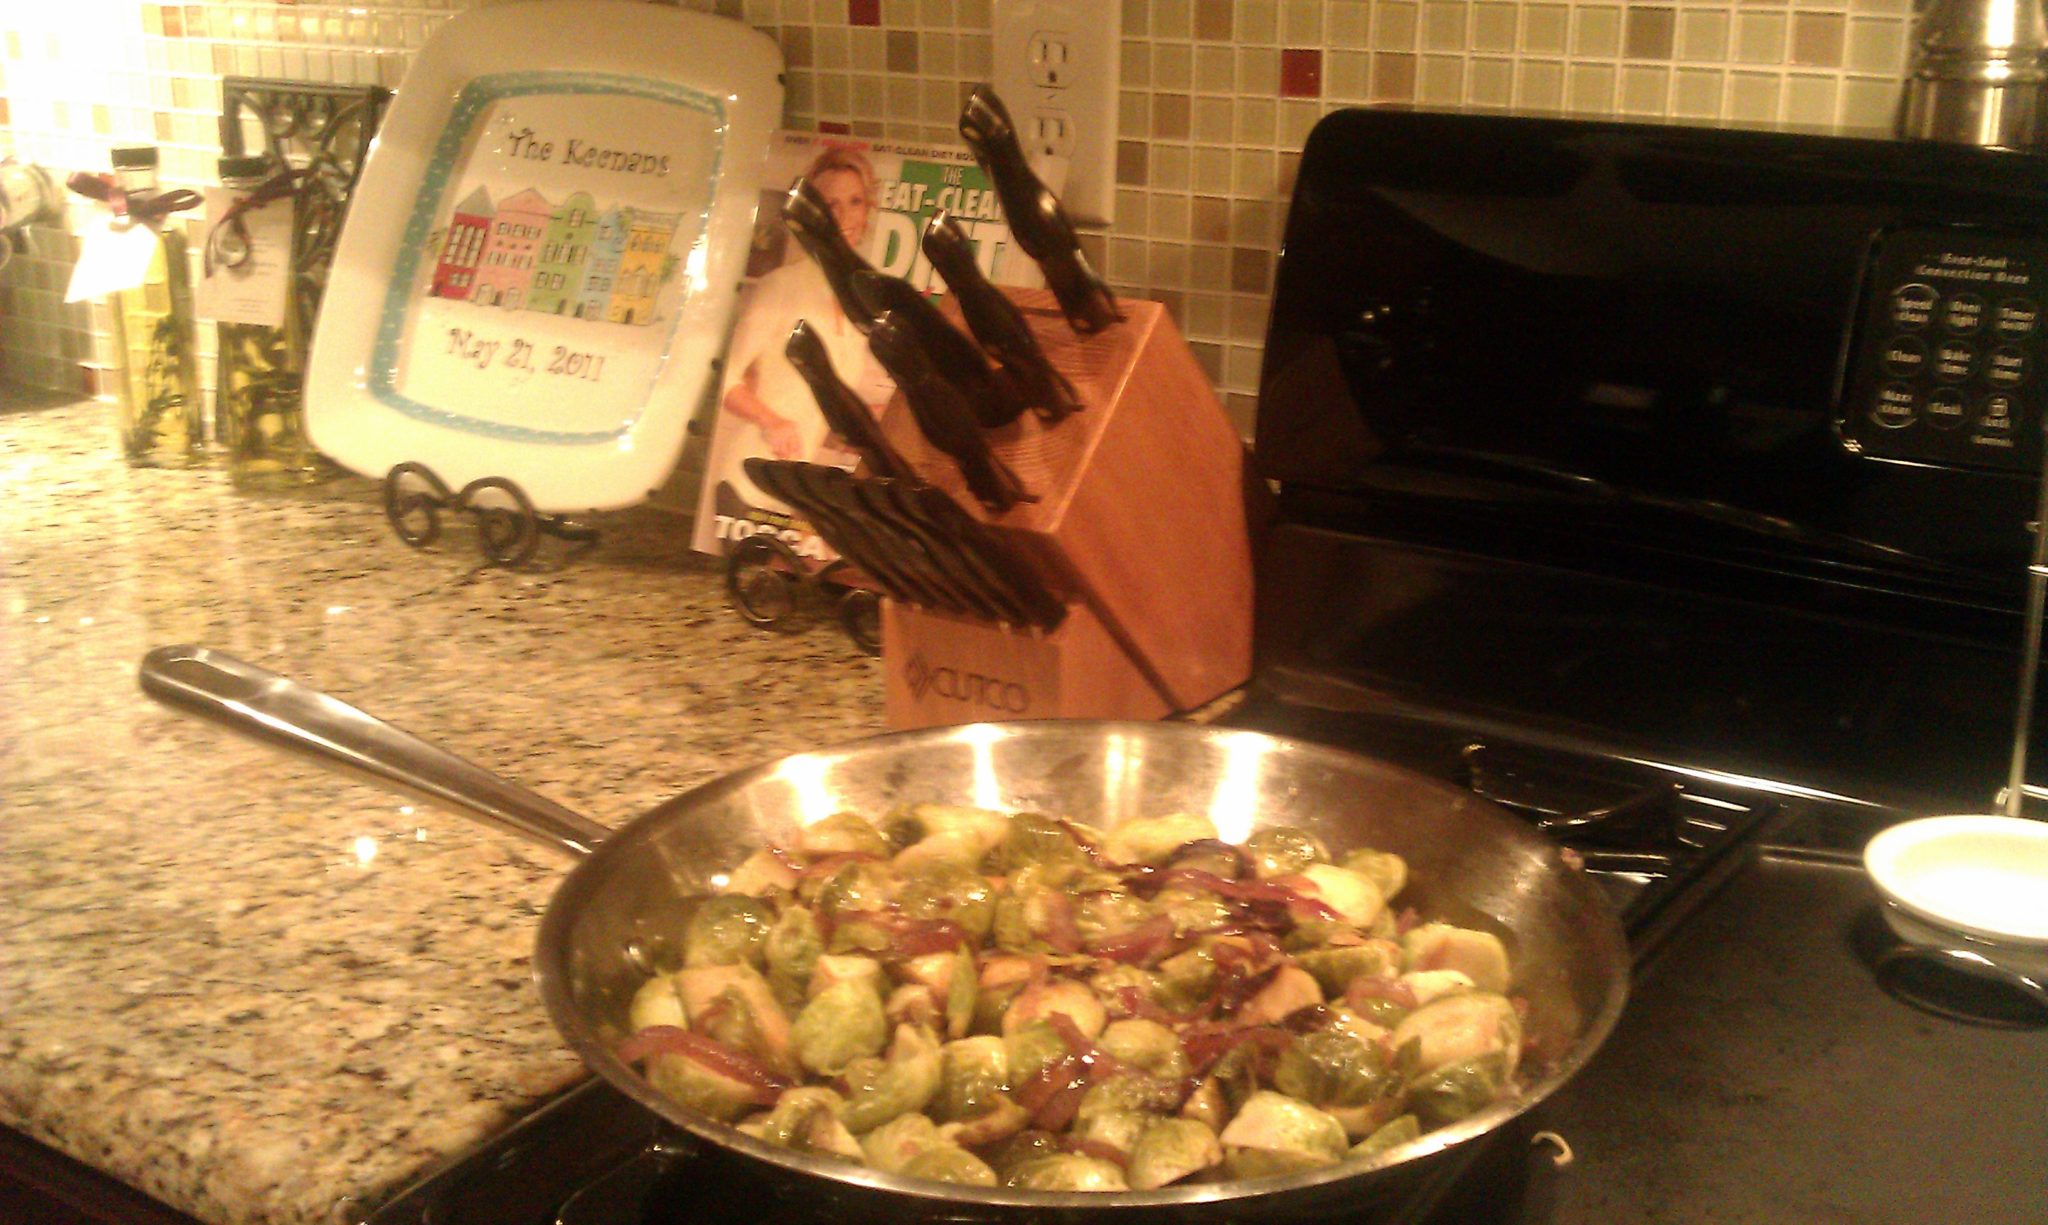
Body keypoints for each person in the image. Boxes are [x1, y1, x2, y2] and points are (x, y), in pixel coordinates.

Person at [705, 144, 893, 518]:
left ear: (867, 210)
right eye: (830, 203)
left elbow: (817, 404)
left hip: (799, 494)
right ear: (811, 213)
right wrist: (770, 421)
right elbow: (726, 379)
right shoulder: (779, 287)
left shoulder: (862, 300)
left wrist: (863, 420)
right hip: (749, 484)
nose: (843, 216)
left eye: (854, 201)